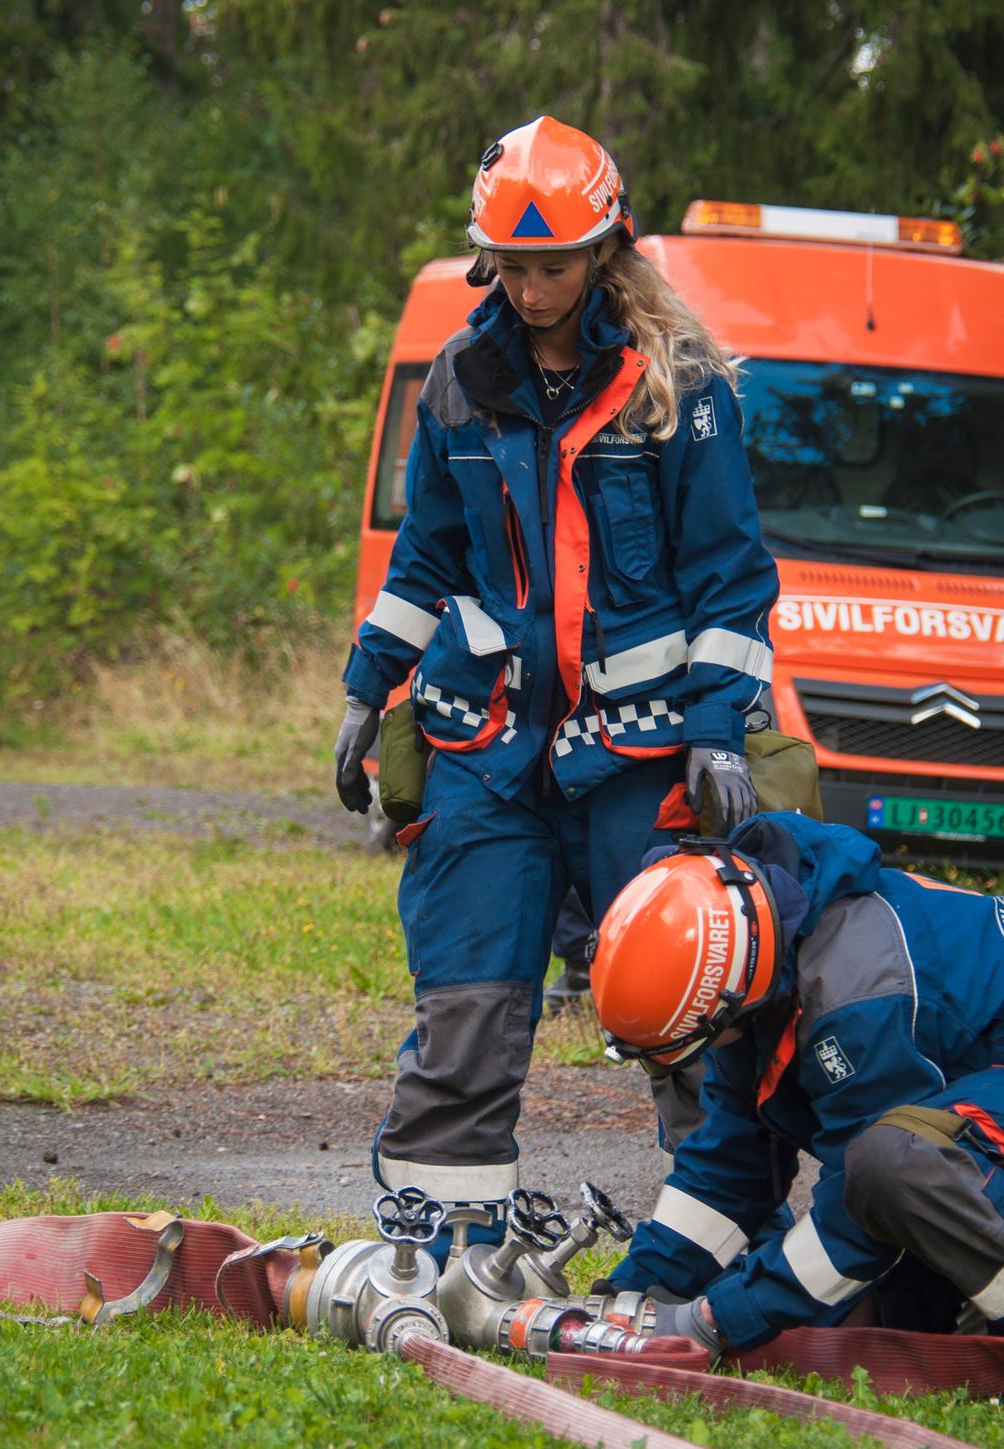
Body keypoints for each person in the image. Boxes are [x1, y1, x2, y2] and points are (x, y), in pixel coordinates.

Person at [334, 115, 778, 1244]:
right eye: (513, 266)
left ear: (605, 251)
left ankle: (707, 1257)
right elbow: (425, 556)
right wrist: (363, 685)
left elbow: (731, 581)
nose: (532, 289)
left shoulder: (679, 389)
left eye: (555, 265)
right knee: (468, 1000)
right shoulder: (459, 383)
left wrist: (719, 733)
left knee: (688, 1008)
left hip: (642, 758)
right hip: (487, 749)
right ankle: (441, 1249)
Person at [591, 811, 1004, 1357]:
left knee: (893, 1167)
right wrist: (633, 1292)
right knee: (845, 1333)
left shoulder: (857, 997)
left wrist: (713, 1319)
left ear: (730, 1001)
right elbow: (731, 1170)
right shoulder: (755, 964)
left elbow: (863, 1213)